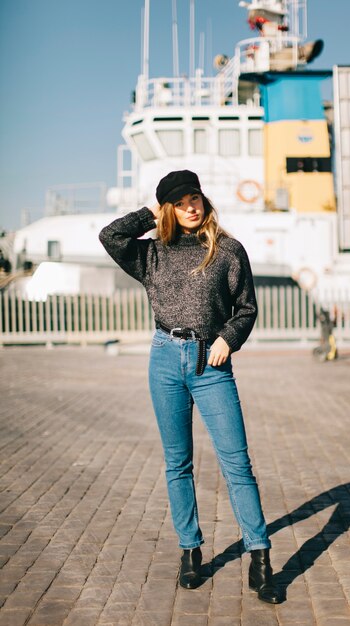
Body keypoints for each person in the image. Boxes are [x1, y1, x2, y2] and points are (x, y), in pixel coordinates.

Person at [99, 170, 279, 604]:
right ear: (168, 210)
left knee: (237, 463)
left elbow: (246, 308)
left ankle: (260, 558)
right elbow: (110, 236)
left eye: (194, 198)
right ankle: (190, 552)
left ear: (204, 199)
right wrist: (151, 208)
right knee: (177, 463)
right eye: (179, 202)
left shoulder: (228, 251)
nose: (191, 207)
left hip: (210, 362)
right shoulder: (151, 255)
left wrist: (228, 339)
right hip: (164, 359)